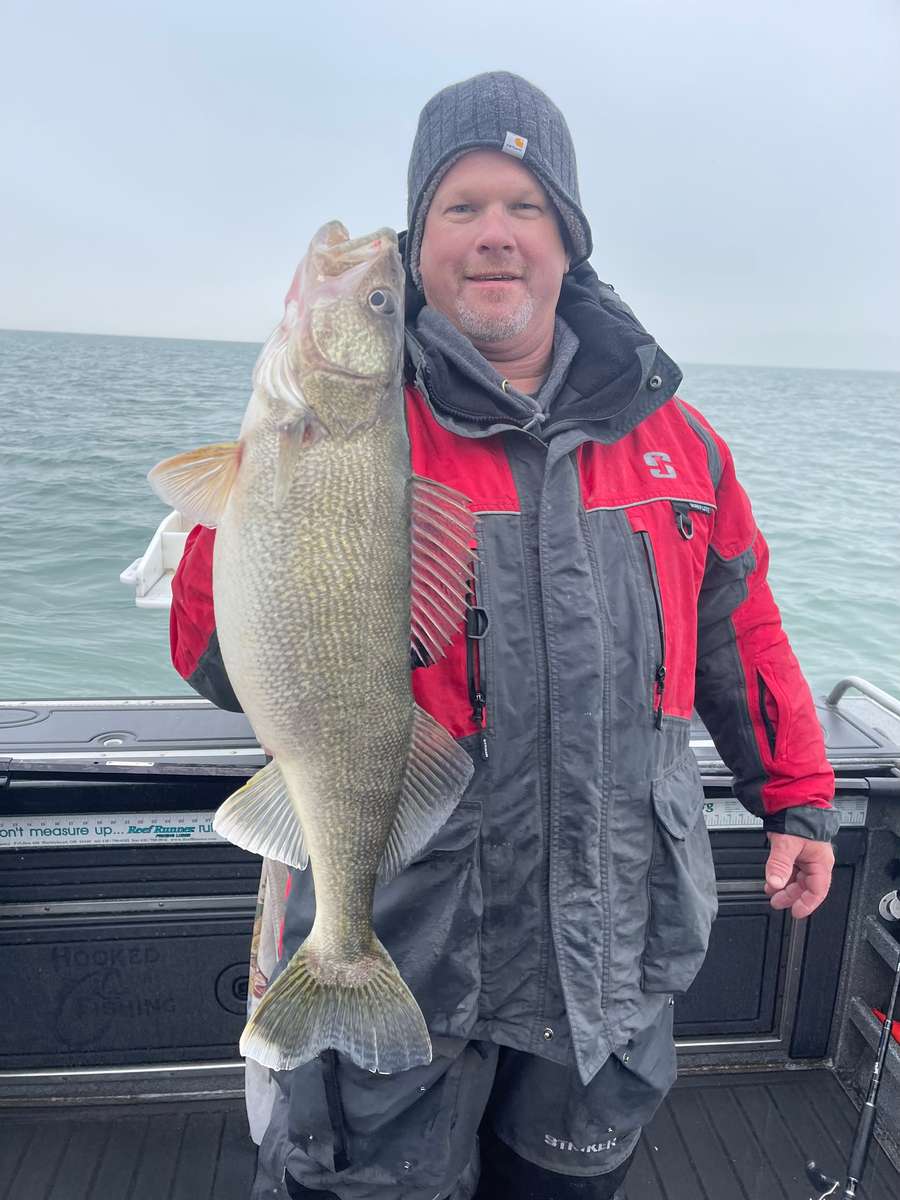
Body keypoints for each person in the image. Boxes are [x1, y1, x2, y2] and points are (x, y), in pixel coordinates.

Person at [169, 71, 841, 1200]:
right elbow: (213, 666)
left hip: (611, 956)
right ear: (417, 244)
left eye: (526, 207)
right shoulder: (360, 432)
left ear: (569, 240)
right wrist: (250, 498)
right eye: (461, 206)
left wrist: (800, 799)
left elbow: (742, 632)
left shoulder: (683, 444)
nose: (495, 234)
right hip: (409, 934)